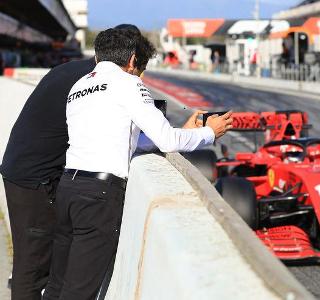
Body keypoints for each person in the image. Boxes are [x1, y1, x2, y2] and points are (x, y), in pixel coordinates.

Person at [43, 28, 232, 300]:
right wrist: (209, 133)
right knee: (78, 292)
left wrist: (184, 132)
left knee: (57, 286)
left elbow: (122, 139)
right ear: (132, 60)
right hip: (99, 195)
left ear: (97, 57)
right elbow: (167, 140)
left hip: (67, 188)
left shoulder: (80, 85)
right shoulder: (129, 83)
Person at [0, 24, 139, 300]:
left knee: (33, 264)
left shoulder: (73, 71)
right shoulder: (93, 81)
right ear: (130, 57)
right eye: (137, 65)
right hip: (35, 181)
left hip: (23, 172)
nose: (136, 73)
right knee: (33, 268)